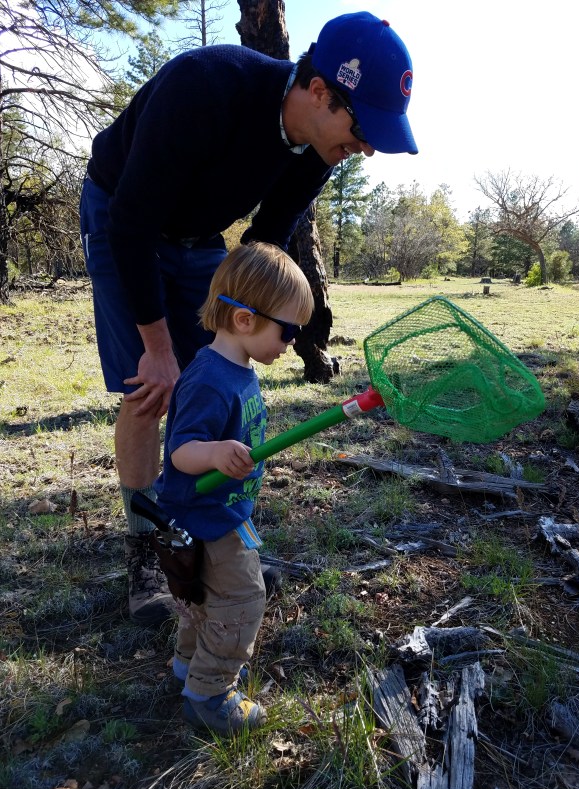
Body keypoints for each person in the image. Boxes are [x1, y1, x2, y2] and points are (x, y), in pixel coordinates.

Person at [79, 11, 417, 626]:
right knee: (149, 388)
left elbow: (266, 241)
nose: (367, 147)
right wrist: (159, 348)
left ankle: (211, 539)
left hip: (198, 235)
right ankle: (147, 549)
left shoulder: (318, 150)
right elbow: (131, 223)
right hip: (121, 212)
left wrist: (262, 322)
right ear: (320, 91)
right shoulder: (206, 87)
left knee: (218, 372)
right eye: (363, 127)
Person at [154, 241, 313, 734]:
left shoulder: (238, 368)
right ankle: (210, 692)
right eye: (288, 331)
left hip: (222, 509)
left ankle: (189, 665)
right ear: (245, 320)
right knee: (243, 597)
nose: (291, 343)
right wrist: (216, 453)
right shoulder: (209, 379)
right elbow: (181, 452)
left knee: (205, 597)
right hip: (208, 516)